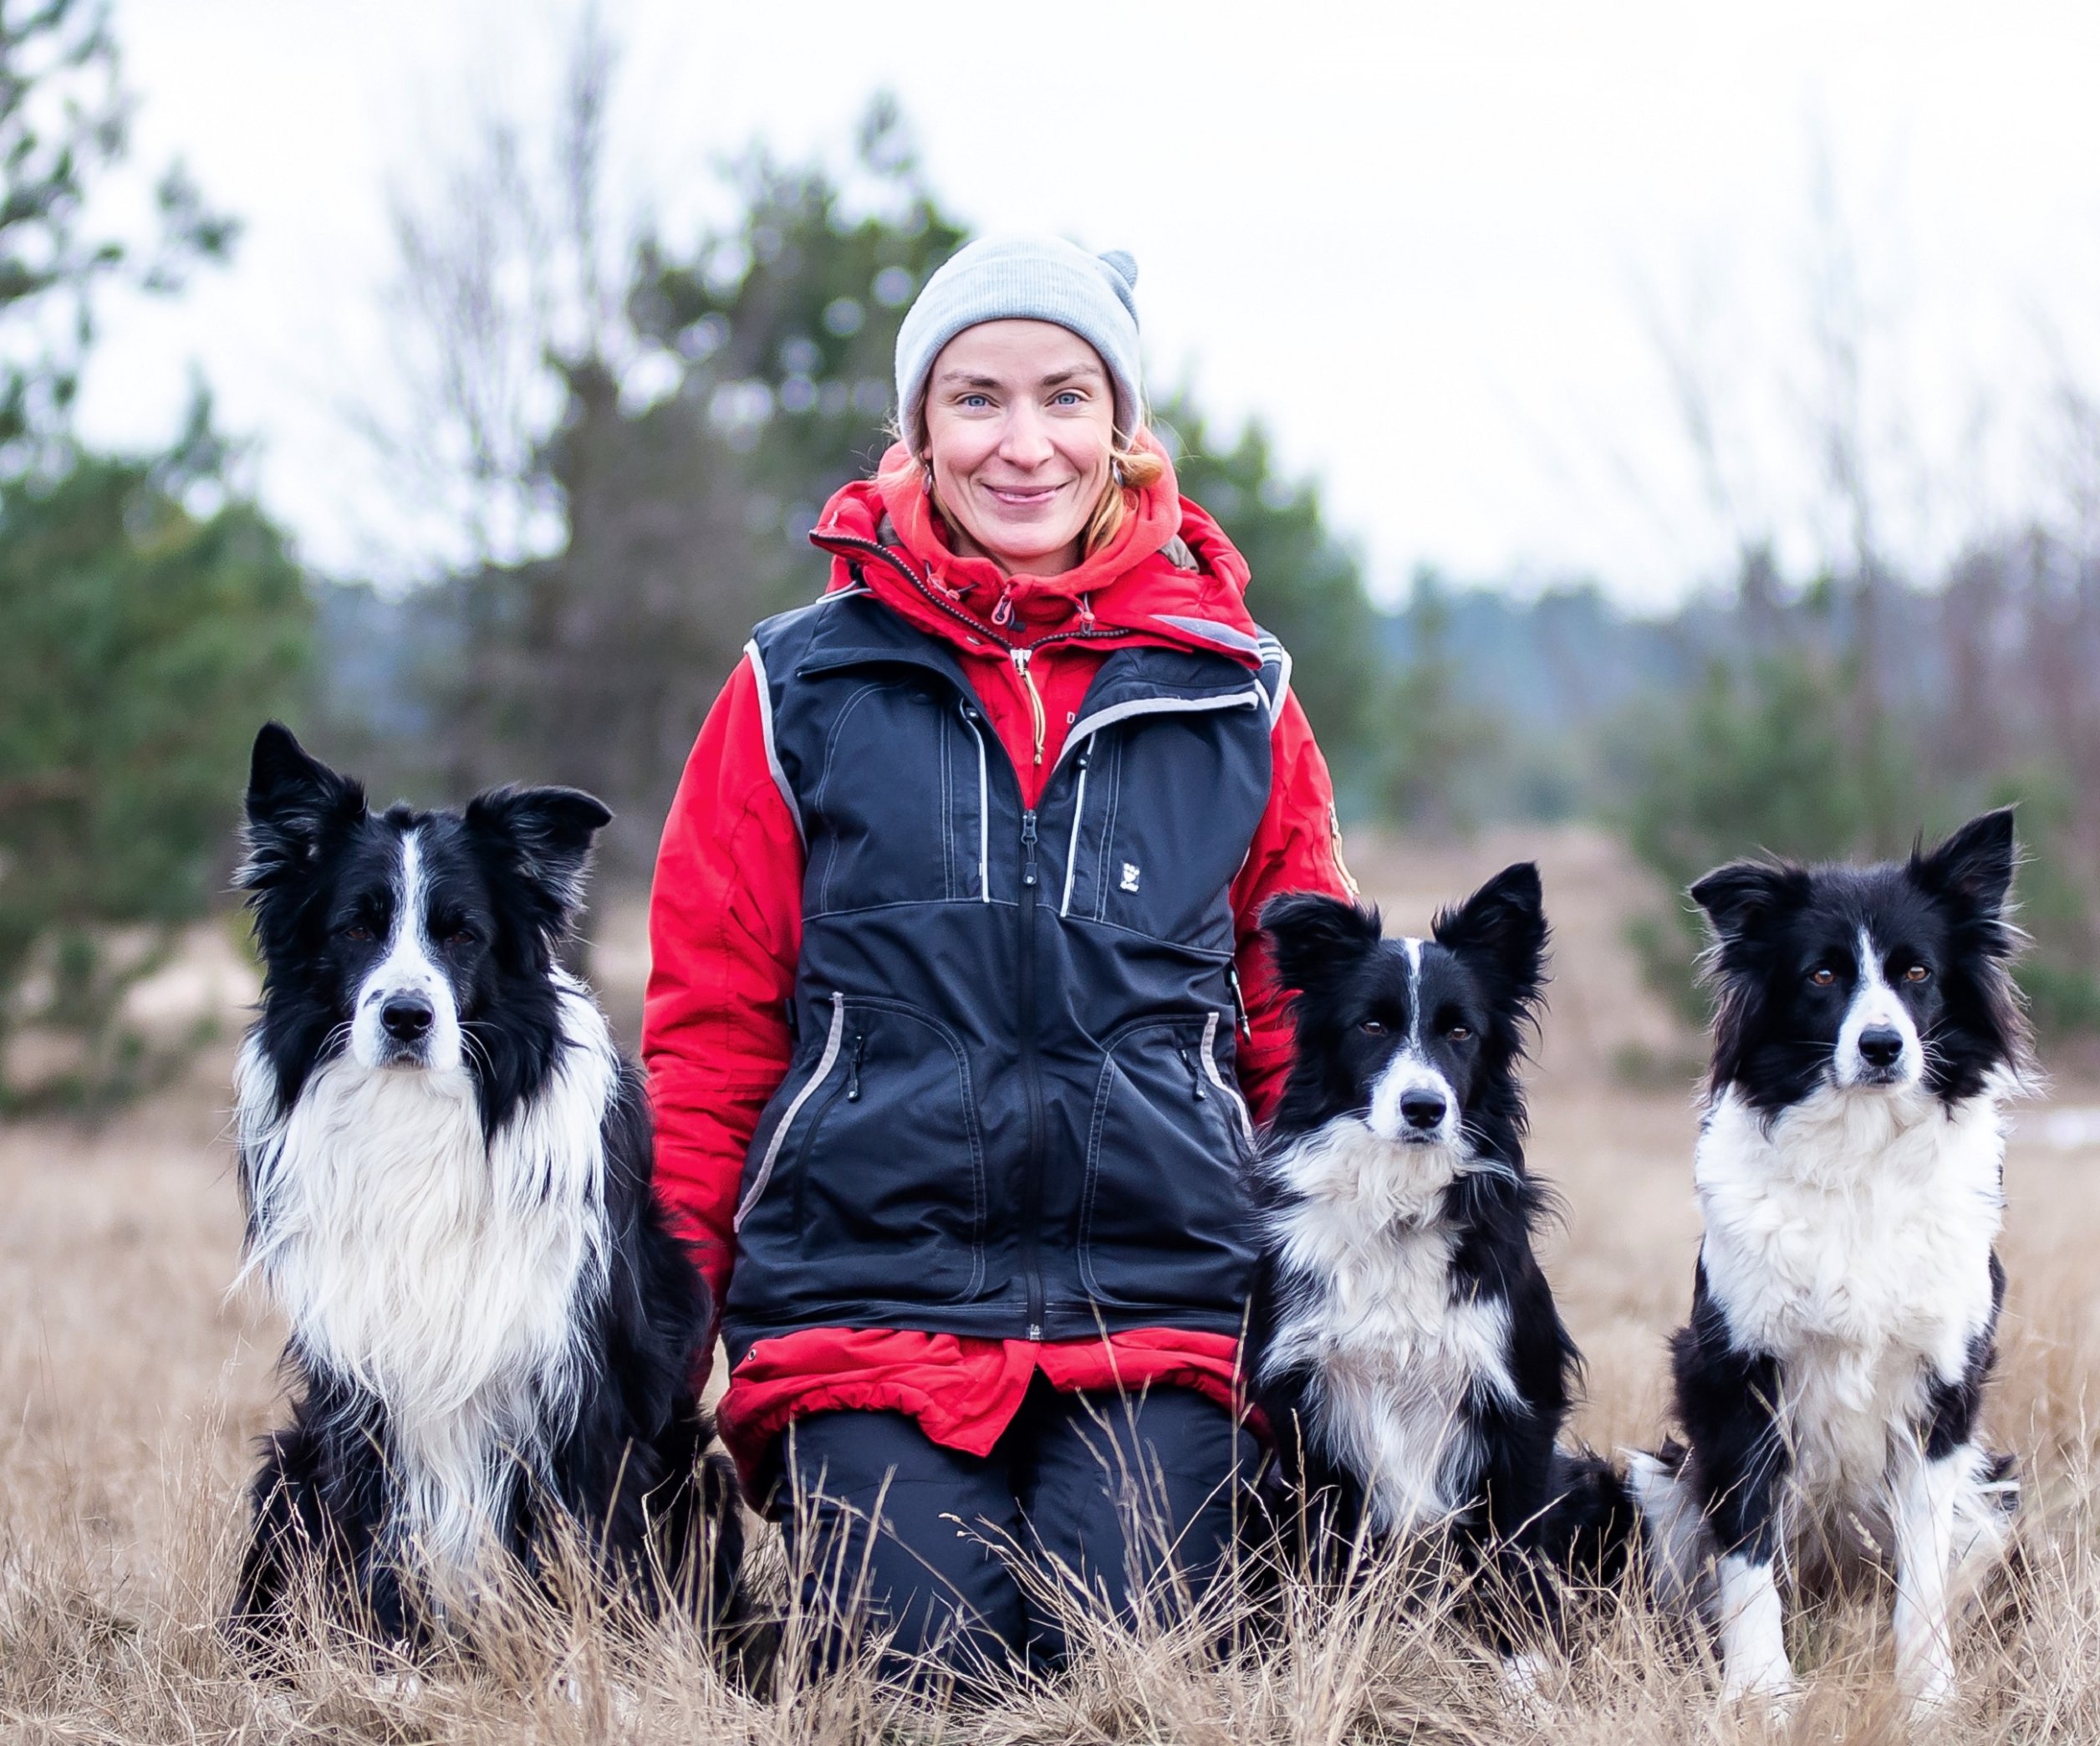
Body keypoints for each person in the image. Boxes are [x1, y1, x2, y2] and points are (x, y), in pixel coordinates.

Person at [642, 233, 1353, 1681]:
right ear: (918, 430)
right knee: (923, 1669)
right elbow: (710, 1038)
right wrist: (657, 1350)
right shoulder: (794, 688)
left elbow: (1311, 1038)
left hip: (1164, 1314)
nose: (1023, 445)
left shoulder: (1238, 699)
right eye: (976, 400)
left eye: (1066, 397)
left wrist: (1335, 1328)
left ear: (1120, 429)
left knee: (1128, 1657)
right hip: (868, 1312)